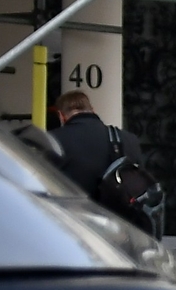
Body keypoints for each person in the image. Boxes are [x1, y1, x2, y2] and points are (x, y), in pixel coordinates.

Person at [49, 89, 162, 234]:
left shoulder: (54, 139)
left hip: (74, 227)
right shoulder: (129, 139)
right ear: (93, 110)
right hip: (121, 228)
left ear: (61, 116)